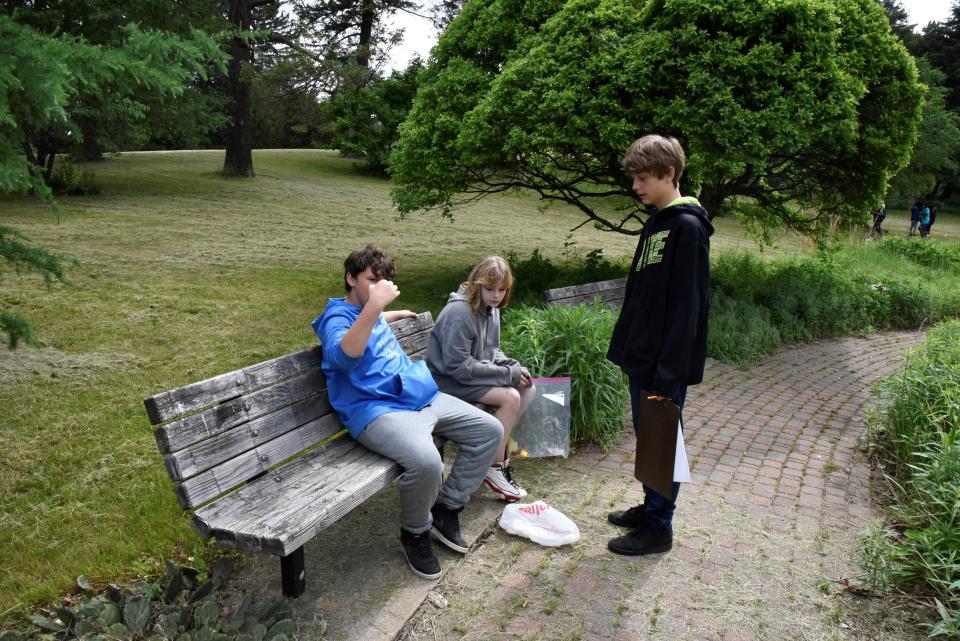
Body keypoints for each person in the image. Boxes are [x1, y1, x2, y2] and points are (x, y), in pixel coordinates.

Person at [312, 245, 503, 580]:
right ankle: (415, 531)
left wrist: (390, 314)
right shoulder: (337, 317)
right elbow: (344, 356)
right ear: (350, 277)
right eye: (371, 280)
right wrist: (376, 307)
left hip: (416, 394)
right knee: (427, 462)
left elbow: (369, 321)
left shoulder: (369, 311)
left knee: (490, 430)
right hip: (375, 410)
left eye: (383, 282)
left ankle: (446, 508)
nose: (378, 288)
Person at [605, 134, 714, 556]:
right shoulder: (657, 223)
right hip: (643, 356)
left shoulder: (687, 228)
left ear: (669, 174)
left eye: (644, 177)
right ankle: (652, 505)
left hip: (663, 365)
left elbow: (689, 307)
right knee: (650, 438)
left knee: (663, 441)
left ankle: (658, 528)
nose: (636, 186)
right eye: (634, 177)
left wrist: (669, 374)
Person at [426, 256, 536, 502]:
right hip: (447, 384)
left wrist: (513, 367)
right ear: (477, 284)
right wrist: (508, 375)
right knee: (510, 396)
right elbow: (458, 367)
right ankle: (495, 467)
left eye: (502, 290)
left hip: (468, 378)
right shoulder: (459, 313)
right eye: (490, 288)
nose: (496, 295)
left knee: (528, 389)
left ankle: (498, 459)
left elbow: (492, 350)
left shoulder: (491, 308)